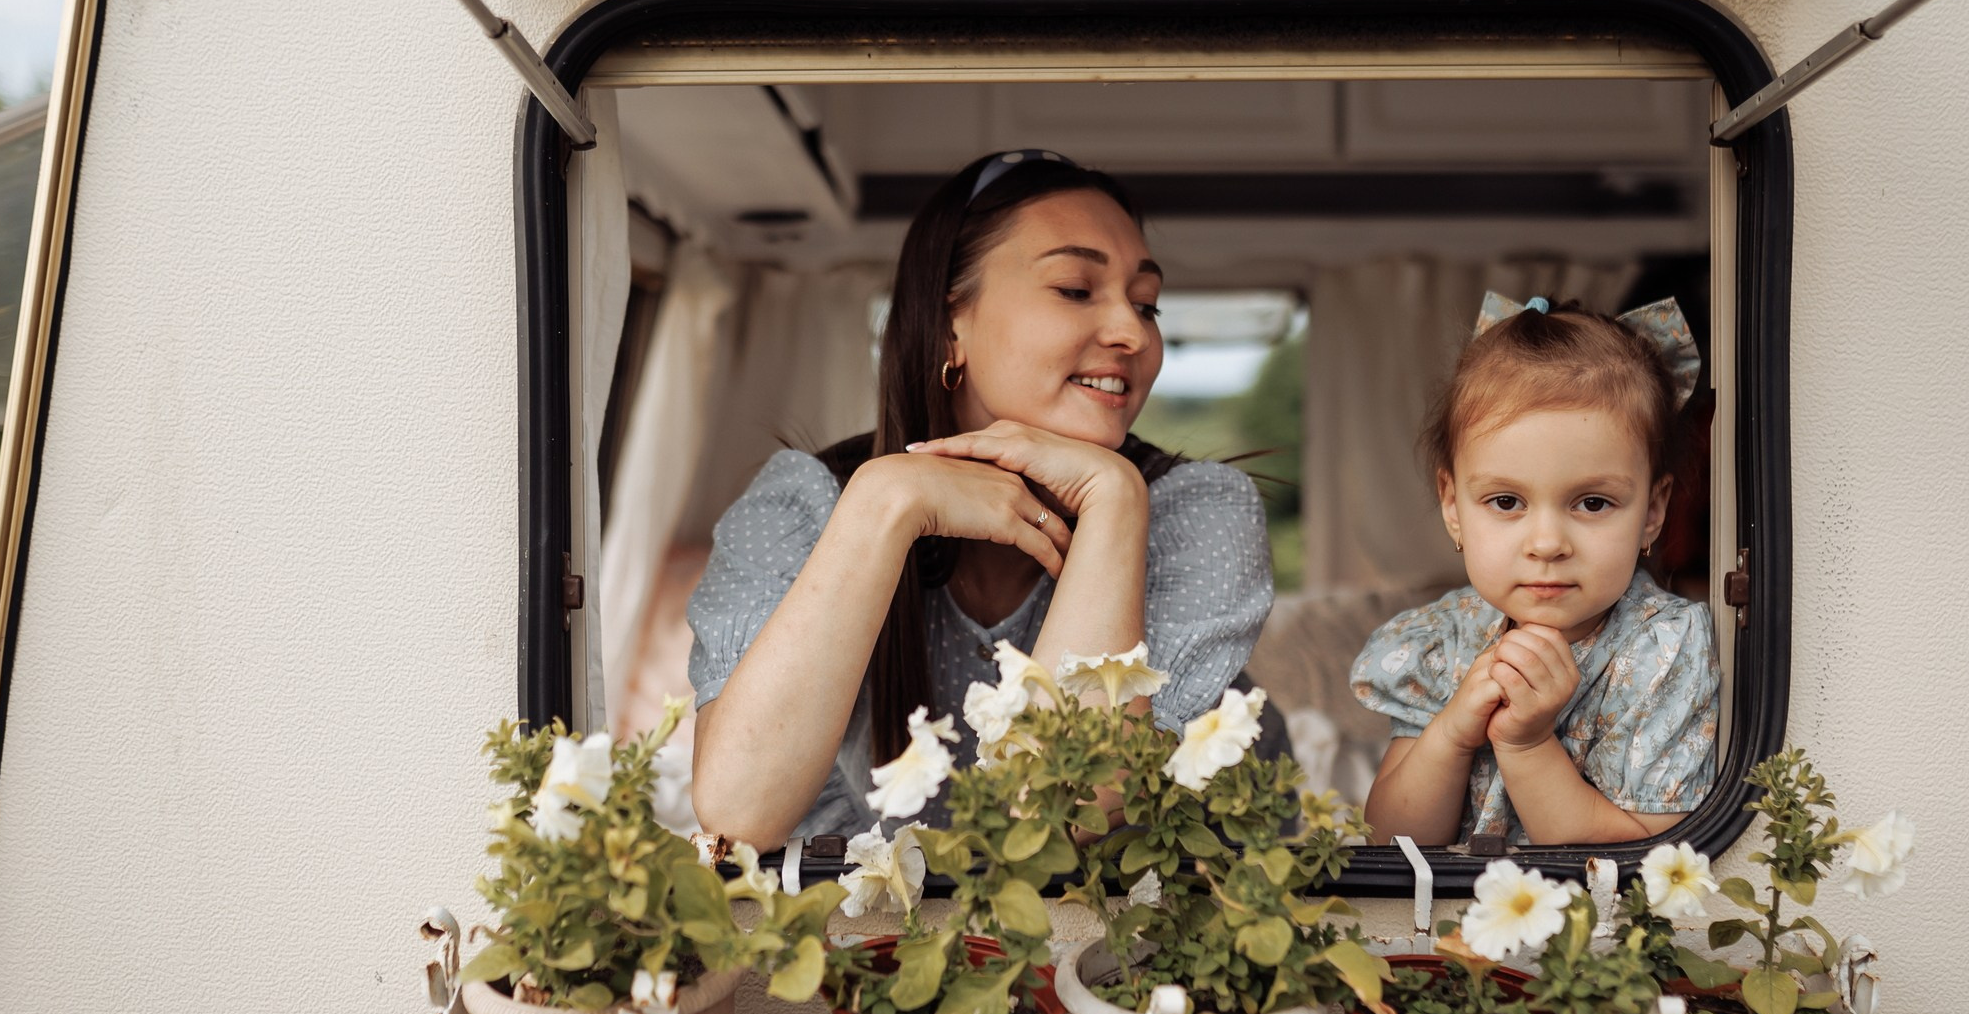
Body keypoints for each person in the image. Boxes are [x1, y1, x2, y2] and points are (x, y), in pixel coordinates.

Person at [686, 150, 1273, 845]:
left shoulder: (1196, 510)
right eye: (1077, 290)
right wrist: (883, 504)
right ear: (949, 326)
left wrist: (1112, 497)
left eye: (1146, 303)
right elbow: (738, 813)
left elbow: (1063, 813)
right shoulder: (805, 504)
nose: (1132, 333)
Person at [1353, 293, 1719, 846]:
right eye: (1506, 502)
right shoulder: (1441, 643)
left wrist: (1526, 744)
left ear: (1653, 512)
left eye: (1592, 503)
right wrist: (1452, 732)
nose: (1547, 543)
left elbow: (1643, 851)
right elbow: (1391, 839)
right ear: (1453, 507)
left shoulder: (1664, 650)